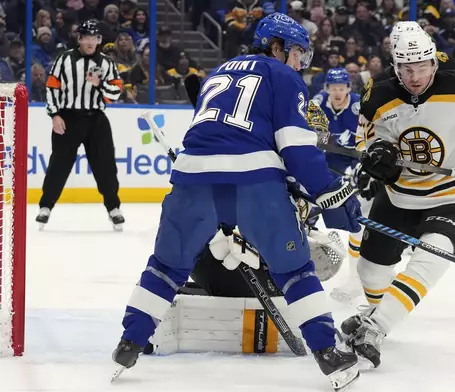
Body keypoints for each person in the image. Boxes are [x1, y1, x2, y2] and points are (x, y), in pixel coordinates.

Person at [112, 13, 362, 390]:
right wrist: (326, 187)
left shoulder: (218, 72)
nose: (300, 63)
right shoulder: (283, 76)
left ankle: (130, 341)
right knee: (295, 270)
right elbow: (295, 145)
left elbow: (215, 133)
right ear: (276, 47)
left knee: (166, 267)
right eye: (297, 53)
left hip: (191, 180)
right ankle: (328, 353)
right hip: (253, 183)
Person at [341, 29, 455, 369]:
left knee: (435, 251)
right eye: (406, 68)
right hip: (399, 196)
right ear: (395, 66)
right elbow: (364, 140)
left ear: (433, 60)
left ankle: (376, 326)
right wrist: (376, 156)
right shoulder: (377, 94)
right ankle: (374, 309)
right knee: (370, 270)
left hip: (453, 196)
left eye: (422, 67)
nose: (415, 76)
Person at [38, 19, 124, 230]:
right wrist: (55, 115)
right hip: (68, 118)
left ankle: (113, 208)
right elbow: (51, 88)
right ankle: (45, 206)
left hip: (96, 119)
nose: (91, 42)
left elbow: (115, 92)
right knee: (59, 164)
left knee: (105, 166)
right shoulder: (64, 59)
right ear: (80, 38)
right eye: (87, 37)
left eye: (95, 38)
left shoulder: (106, 63)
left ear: (99, 40)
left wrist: (100, 84)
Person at [311, 68, 381, 302]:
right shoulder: (317, 103)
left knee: (357, 224)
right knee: (302, 216)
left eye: (342, 88)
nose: (338, 92)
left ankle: (355, 278)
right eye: (334, 88)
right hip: (321, 170)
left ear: (349, 89)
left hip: (353, 171)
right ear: (327, 89)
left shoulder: (360, 107)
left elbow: (373, 140)